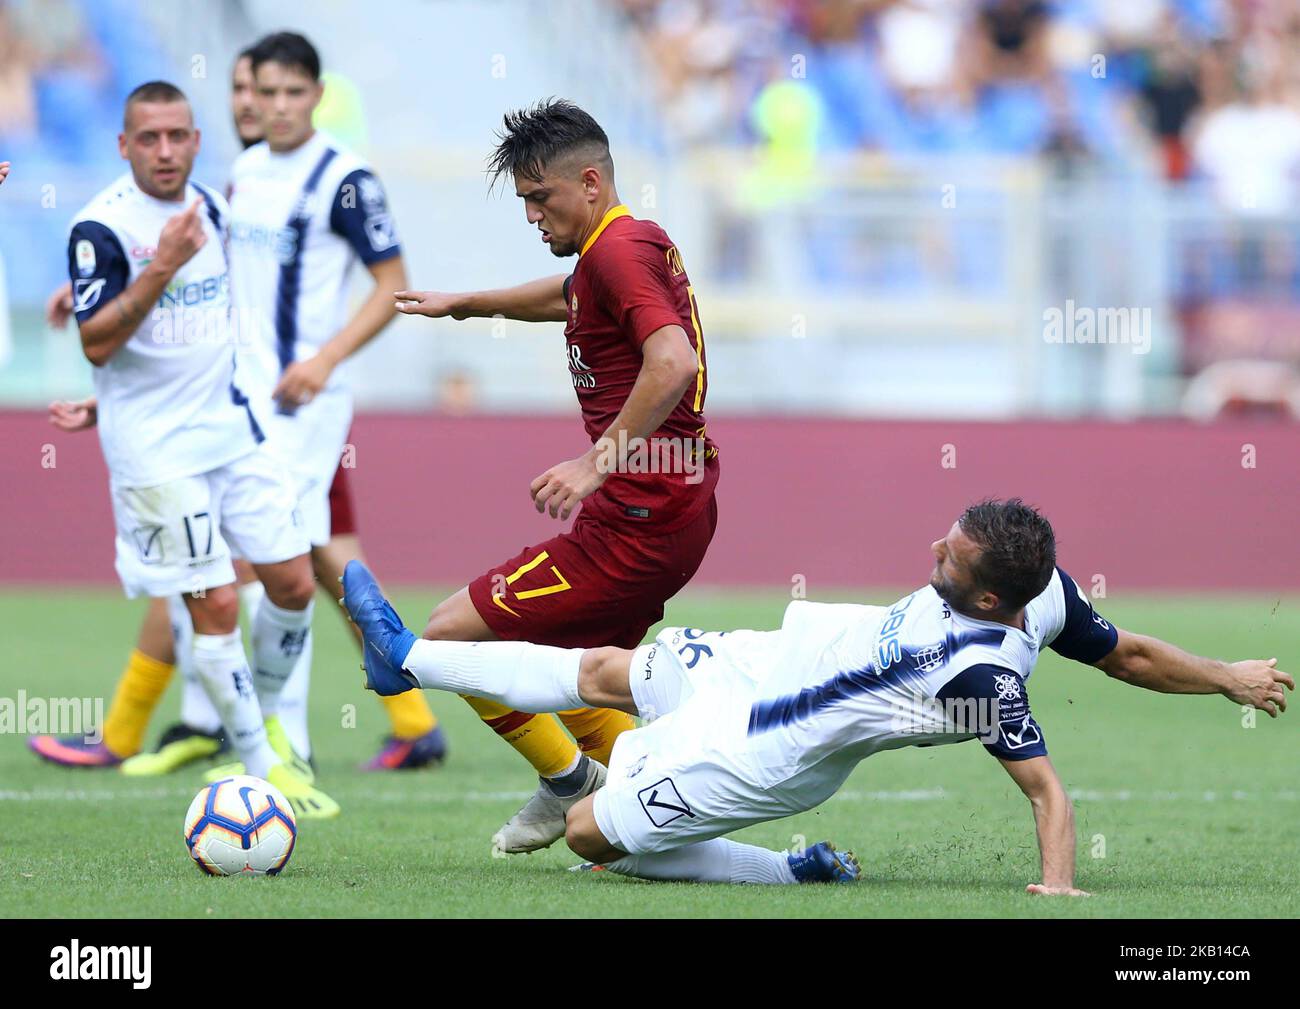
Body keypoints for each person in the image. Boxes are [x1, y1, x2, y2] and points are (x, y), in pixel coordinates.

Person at [341, 499, 1292, 887]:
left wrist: (1056, 886)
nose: (931, 553)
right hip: (774, 657)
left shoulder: (983, 677)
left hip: (768, 751)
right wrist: (1228, 679)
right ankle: (407, 660)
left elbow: (1045, 790)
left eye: (950, 559)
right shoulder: (1042, 589)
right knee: (602, 669)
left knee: (591, 836)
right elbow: (1125, 651)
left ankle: (785, 869)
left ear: (989, 595)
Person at [31, 42, 446, 775]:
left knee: (257, 570)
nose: (262, 103)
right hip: (230, 393)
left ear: (315, 94)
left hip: (297, 401)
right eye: (252, 88)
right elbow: (210, 280)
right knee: (257, 564)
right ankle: (232, 727)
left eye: (283, 90)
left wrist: (322, 362)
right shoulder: (242, 178)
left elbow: (393, 285)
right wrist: (103, 295)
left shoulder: (344, 179)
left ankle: (278, 745)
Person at [393, 98, 720, 852]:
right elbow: (570, 297)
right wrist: (467, 305)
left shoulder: (614, 253)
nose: (534, 216)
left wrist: (592, 463)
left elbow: (674, 360)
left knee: (448, 639)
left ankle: (574, 784)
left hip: (636, 522)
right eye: (525, 204)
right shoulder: (625, 245)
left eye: (543, 199)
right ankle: (643, 809)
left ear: (592, 182)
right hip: (674, 507)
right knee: (578, 672)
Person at [58, 80, 338, 817]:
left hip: (229, 429)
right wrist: (161, 265)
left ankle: (266, 715)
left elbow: (201, 326)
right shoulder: (101, 227)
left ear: (195, 140)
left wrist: (105, 394)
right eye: (147, 138)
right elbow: (97, 338)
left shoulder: (210, 206)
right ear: (124, 146)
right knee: (213, 601)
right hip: (155, 455)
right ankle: (260, 766)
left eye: (177, 135)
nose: (164, 150)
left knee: (294, 581)